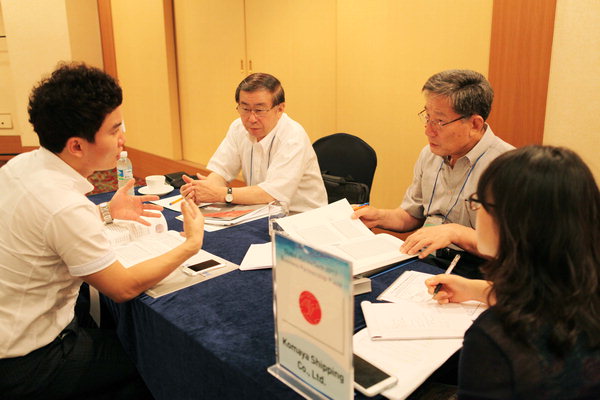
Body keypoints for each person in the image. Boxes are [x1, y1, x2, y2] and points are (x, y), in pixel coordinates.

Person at [0, 62, 204, 399]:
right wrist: (190, 243)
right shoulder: (63, 204)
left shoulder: (23, 164)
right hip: (27, 364)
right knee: (155, 357)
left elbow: (44, 228)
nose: (123, 138)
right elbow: (122, 287)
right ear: (77, 146)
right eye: (114, 129)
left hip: (9, 330)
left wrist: (108, 211)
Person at [425, 145, 600, 398]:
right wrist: (478, 289)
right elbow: (551, 298)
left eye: (479, 202)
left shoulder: (495, 337)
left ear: (512, 224)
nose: (477, 210)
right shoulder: (583, 288)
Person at [354, 70, 513, 276]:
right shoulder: (430, 154)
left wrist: (456, 233)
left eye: (439, 121)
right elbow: (412, 215)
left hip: (481, 273)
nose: (428, 130)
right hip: (428, 259)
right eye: (427, 117)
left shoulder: (509, 168)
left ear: (475, 124)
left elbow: (508, 249)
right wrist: (379, 217)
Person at [180, 72, 327, 213]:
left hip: (300, 218)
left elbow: (271, 194)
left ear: (280, 109)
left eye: (259, 109)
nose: (251, 118)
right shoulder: (238, 128)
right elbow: (221, 173)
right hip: (260, 212)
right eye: (245, 109)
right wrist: (201, 190)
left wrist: (220, 194)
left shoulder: (293, 137)